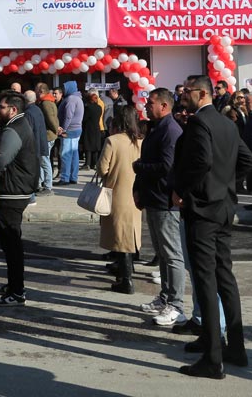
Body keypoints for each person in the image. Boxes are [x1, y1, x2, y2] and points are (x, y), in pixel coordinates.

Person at [173, 75, 252, 379]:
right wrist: (226, 184)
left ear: (202, 93)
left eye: (187, 92)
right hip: (223, 207)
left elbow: (202, 162)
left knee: (206, 280)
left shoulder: (200, 123)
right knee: (224, 277)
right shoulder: (226, 123)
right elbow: (245, 160)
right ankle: (235, 347)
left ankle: (213, 358)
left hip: (204, 209)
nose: (183, 97)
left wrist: (181, 189)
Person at [134, 88, 186, 327]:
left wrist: (140, 167)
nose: (146, 105)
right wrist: (138, 188)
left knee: (172, 254)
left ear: (164, 106)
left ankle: (176, 305)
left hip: (166, 202)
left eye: (151, 102)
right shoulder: (157, 127)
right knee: (163, 254)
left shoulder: (170, 130)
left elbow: (166, 166)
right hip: (153, 199)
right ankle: (165, 296)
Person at [0, 91, 39, 307]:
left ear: (13, 110)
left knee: (11, 243)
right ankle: (14, 285)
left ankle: (17, 291)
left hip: (11, 192)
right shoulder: (20, 125)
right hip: (16, 189)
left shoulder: (13, 128)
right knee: (11, 243)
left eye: (1, 106)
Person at [99, 105, 142, 294]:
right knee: (130, 233)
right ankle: (126, 269)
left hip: (117, 194)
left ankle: (126, 280)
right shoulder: (140, 141)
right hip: (136, 194)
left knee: (121, 236)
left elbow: (102, 169)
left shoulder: (112, 141)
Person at [23, 90, 52, 194]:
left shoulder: (28, 113)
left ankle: (48, 186)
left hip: (36, 143)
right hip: (41, 140)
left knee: (43, 163)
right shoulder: (37, 109)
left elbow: (28, 130)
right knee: (43, 163)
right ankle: (40, 184)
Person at [56, 81, 84, 185]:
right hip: (76, 130)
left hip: (70, 130)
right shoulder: (78, 98)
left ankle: (65, 178)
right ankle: (73, 177)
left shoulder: (71, 99)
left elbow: (68, 116)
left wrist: (63, 129)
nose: (63, 90)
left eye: (64, 87)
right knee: (74, 154)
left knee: (66, 154)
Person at [36, 83, 61, 179]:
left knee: (44, 160)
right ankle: (43, 181)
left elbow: (50, 118)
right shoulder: (49, 101)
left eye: (36, 90)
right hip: (49, 134)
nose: (35, 92)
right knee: (44, 159)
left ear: (41, 91)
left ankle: (47, 184)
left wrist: (56, 129)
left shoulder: (45, 103)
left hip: (47, 135)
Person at [80, 90, 105, 171]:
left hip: (89, 128)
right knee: (96, 147)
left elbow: (84, 118)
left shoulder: (88, 108)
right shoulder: (99, 108)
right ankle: (94, 163)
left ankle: (87, 163)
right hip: (97, 128)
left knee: (88, 146)